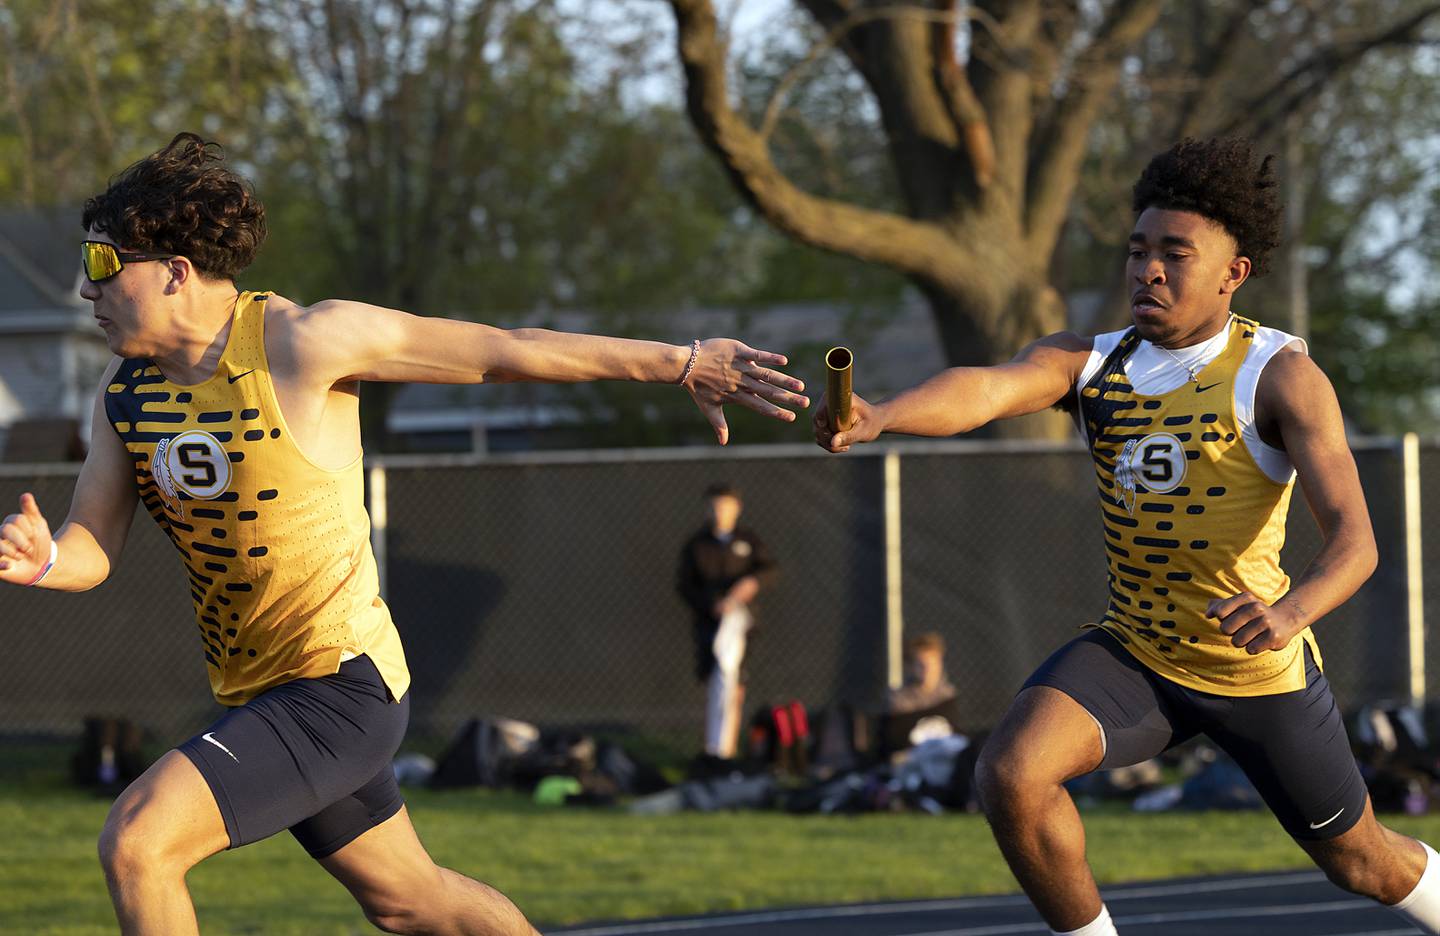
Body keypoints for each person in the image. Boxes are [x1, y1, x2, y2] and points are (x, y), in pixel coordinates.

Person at [0, 133, 808, 936]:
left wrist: (681, 361)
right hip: (259, 690)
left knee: (139, 843)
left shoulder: (303, 342)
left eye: (103, 265)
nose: (81, 287)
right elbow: (93, 545)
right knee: (412, 903)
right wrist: (43, 563)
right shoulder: (123, 390)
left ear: (176, 272)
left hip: (340, 686)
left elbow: (503, 352)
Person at [812, 137, 1440, 936]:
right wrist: (884, 415)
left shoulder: (1278, 375)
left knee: (1364, 866)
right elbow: (987, 390)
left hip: (1257, 671)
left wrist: (1291, 614)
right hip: (1141, 652)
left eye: (1175, 254)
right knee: (1012, 772)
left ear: (1232, 273)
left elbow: (1357, 541)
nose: (1147, 269)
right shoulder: (1093, 364)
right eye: (1139, 250)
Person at [676, 482, 776, 759]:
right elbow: (685, 585)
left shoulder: (749, 540)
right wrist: (712, 605)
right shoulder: (697, 545)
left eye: (726, 507)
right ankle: (712, 749)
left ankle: (727, 750)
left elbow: (769, 569)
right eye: (715, 507)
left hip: (741, 626)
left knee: (735, 683)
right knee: (713, 683)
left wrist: (750, 584)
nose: (720, 512)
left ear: (737, 509)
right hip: (709, 625)